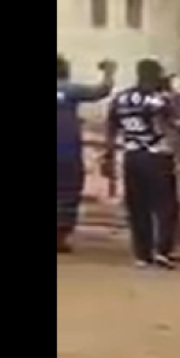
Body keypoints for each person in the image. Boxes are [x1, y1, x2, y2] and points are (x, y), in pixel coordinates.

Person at [108, 59, 180, 268]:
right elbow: (176, 123)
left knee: (137, 207)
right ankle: (162, 249)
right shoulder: (160, 100)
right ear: (155, 75)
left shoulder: (121, 98)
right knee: (166, 205)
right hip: (157, 156)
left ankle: (142, 254)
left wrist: (109, 155)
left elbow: (111, 128)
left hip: (131, 156)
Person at [57, 55, 116, 253]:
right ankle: (60, 236)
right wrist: (109, 71)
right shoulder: (70, 89)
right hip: (67, 152)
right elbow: (102, 90)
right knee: (68, 193)